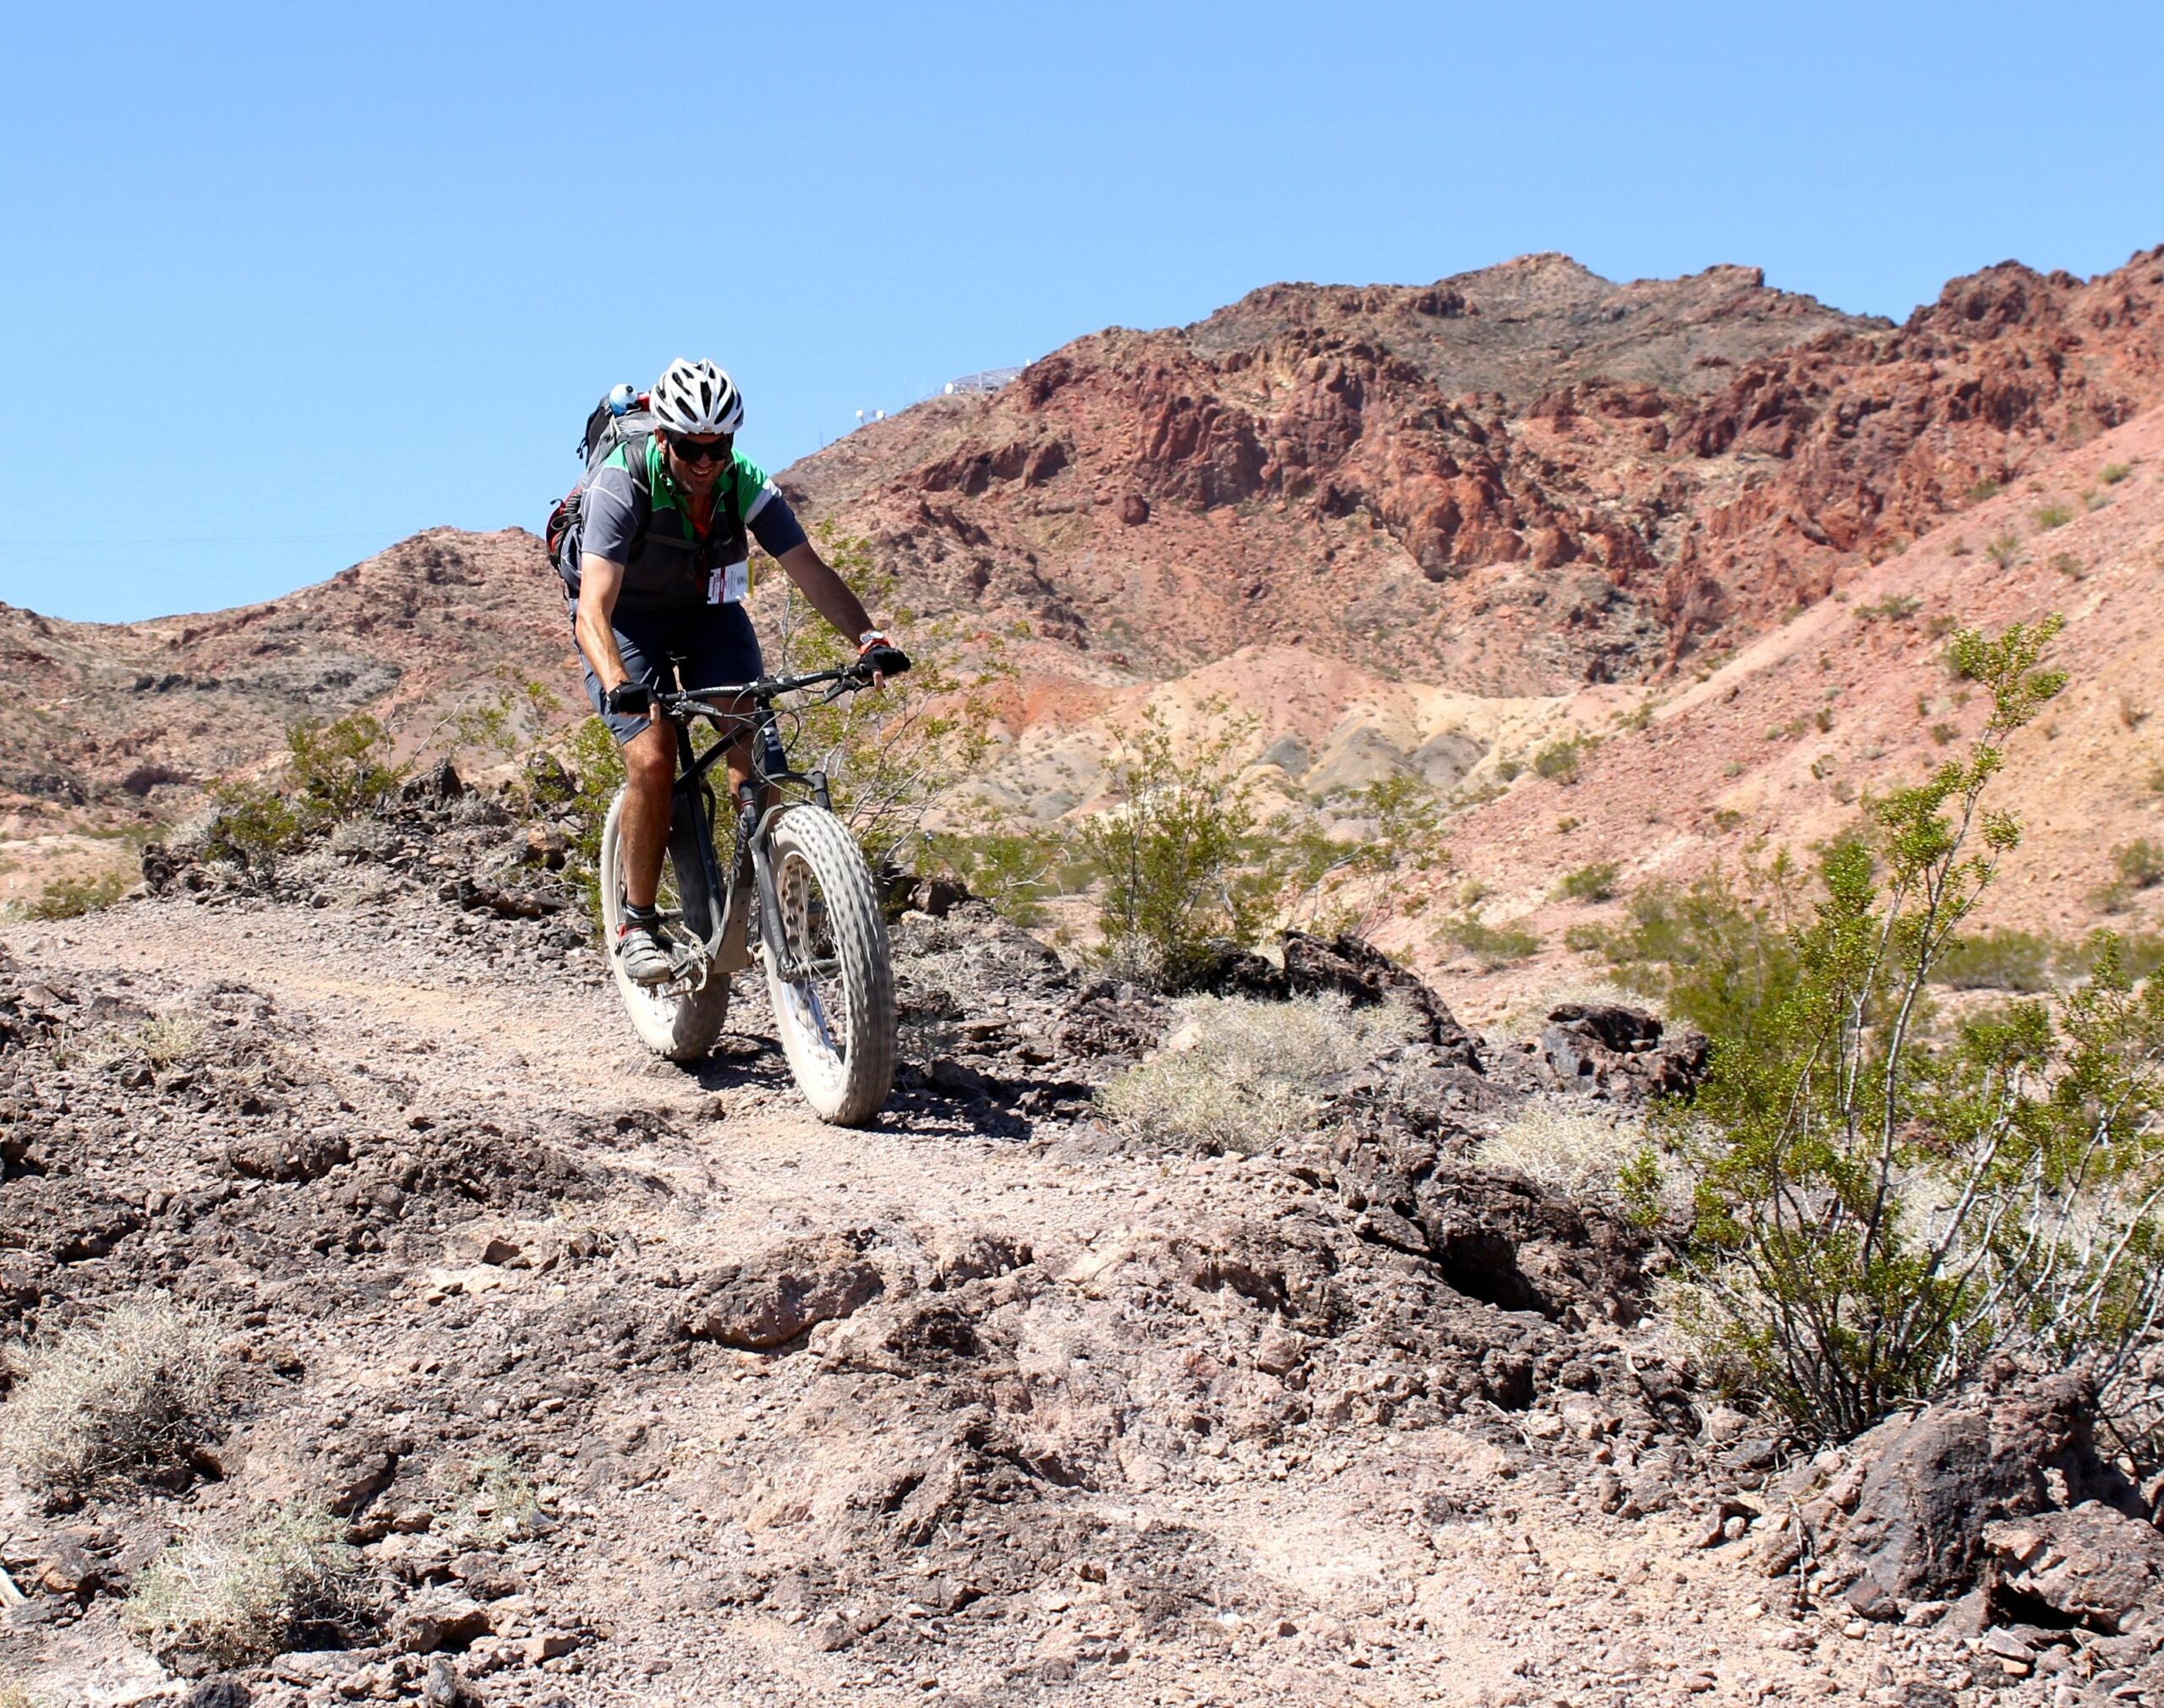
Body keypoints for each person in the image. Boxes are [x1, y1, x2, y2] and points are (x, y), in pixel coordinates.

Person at [569, 357, 893, 985]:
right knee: (654, 758)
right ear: (663, 436)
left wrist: (868, 638)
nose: (705, 461)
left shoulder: (742, 481)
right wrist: (617, 682)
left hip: (707, 612)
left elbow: (810, 570)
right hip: (626, 621)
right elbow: (592, 608)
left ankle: (772, 899)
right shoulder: (620, 484)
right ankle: (637, 923)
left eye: (717, 447)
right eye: (690, 447)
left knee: (757, 746)